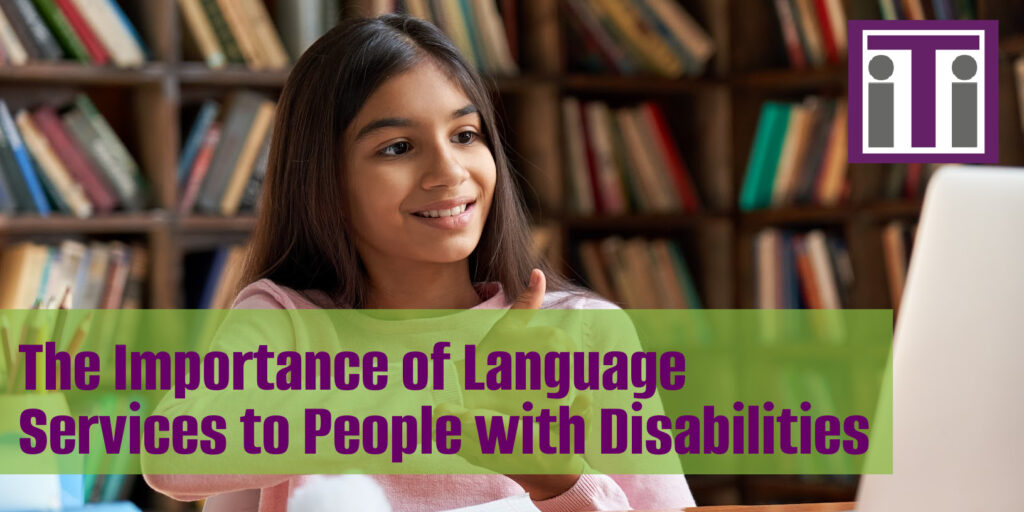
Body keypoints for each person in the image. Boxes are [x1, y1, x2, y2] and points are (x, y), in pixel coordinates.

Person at [145, 14, 695, 512]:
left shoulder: (585, 331)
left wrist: (559, 484)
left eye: (465, 135)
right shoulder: (287, 320)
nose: (449, 171)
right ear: (326, 182)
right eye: (397, 147)